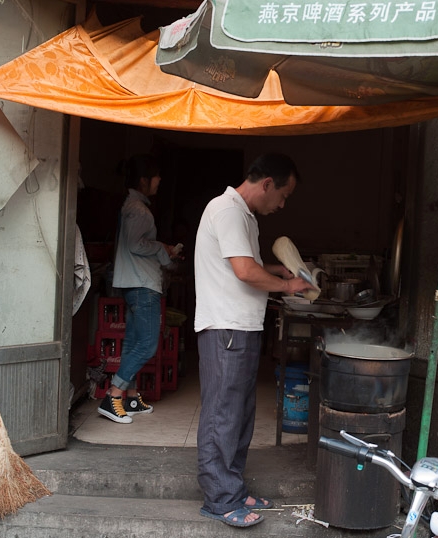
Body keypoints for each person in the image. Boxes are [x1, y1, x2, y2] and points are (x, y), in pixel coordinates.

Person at [194, 153, 312, 527]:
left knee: (240, 415)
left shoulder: (244, 217)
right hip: (225, 328)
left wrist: (277, 269)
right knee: (222, 414)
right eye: (283, 195)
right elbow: (244, 271)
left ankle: (233, 488)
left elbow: (248, 263)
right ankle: (219, 499)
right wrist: (287, 285)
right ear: (266, 184)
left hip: (242, 327)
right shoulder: (227, 210)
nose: (282, 204)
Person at [98, 154, 181, 424]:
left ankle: (131, 397)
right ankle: (114, 396)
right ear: (144, 180)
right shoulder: (139, 209)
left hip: (133, 284)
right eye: (156, 176)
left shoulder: (132, 206)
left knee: (134, 341)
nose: (159, 181)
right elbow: (136, 244)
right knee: (147, 344)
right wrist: (161, 248)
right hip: (143, 285)